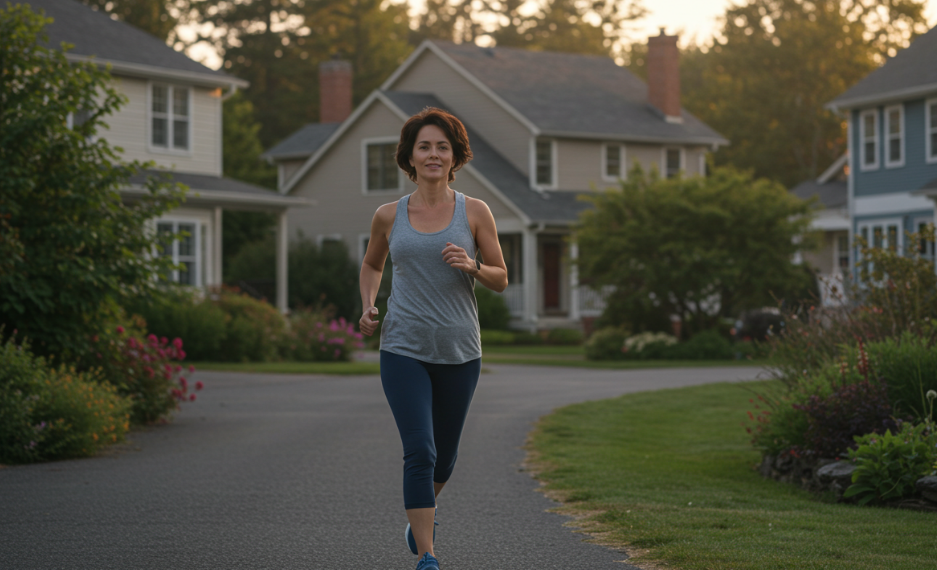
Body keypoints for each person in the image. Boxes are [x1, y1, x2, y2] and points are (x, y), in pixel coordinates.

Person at [358, 107, 508, 570]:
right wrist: (368, 303)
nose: (433, 154)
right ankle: (428, 556)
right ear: (409, 156)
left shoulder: (475, 211)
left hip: (460, 351)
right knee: (419, 450)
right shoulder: (388, 215)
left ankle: (420, 517)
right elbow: (372, 265)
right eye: (424, 146)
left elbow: (501, 277)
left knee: (443, 459)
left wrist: (473, 266)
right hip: (402, 347)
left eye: (442, 146)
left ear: (454, 155)